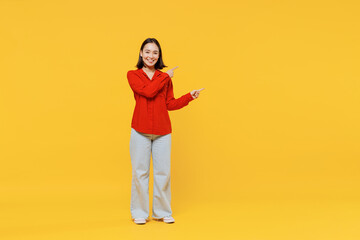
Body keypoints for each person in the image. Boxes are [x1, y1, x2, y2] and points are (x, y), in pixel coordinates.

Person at [127, 38, 204, 225]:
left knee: (163, 173)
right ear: (140, 53)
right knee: (140, 173)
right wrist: (166, 77)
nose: (151, 56)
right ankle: (139, 212)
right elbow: (148, 92)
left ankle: (162, 212)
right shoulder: (133, 75)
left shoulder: (164, 79)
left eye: (155, 52)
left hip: (163, 131)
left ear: (159, 55)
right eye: (147, 51)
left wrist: (189, 97)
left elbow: (169, 104)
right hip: (140, 130)